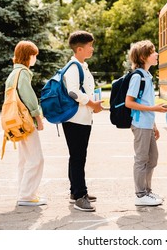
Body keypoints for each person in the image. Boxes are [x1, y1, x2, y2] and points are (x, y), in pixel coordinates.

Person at [62, 31, 103, 212]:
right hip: (75, 119)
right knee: (78, 157)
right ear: (80, 49)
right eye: (89, 46)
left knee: (77, 156)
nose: (92, 49)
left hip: (82, 119)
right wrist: (92, 103)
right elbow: (73, 92)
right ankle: (80, 196)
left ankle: (75, 192)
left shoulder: (82, 66)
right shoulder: (73, 67)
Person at [125, 40, 167, 206]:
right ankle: (140, 194)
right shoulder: (137, 76)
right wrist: (154, 109)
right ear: (143, 57)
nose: (157, 54)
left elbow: (146, 101)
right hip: (140, 124)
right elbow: (129, 102)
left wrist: (154, 125)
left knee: (153, 159)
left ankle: (147, 192)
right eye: (153, 52)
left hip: (148, 124)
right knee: (142, 159)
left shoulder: (147, 76)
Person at [4, 40, 46, 206]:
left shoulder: (13, 74)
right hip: (25, 121)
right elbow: (29, 98)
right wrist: (38, 117)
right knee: (36, 158)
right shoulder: (23, 73)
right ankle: (27, 195)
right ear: (28, 56)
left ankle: (24, 192)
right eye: (34, 55)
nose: (35, 58)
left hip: (15, 121)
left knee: (25, 158)